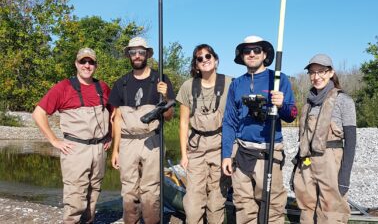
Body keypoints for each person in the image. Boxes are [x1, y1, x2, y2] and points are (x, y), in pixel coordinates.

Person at [221, 35, 297, 223]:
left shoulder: (278, 78)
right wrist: (226, 155)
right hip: (242, 153)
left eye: (257, 50)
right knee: (243, 206)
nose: (252, 54)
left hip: (268, 152)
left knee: (272, 208)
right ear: (242, 56)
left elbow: (292, 114)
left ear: (265, 54)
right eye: (247, 51)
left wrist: (282, 105)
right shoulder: (236, 84)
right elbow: (229, 121)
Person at [32, 47, 112, 223]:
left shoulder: (103, 87)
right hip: (76, 149)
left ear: (95, 65)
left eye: (90, 62)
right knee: (75, 196)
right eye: (83, 61)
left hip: (99, 149)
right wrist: (54, 140)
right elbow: (38, 113)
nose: (87, 65)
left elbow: (114, 113)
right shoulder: (63, 87)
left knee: (94, 193)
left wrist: (110, 136)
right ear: (76, 64)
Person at [108, 36, 175, 224]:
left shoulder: (161, 79)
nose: (137, 56)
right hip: (128, 142)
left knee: (151, 188)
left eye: (141, 52)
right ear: (129, 56)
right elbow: (117, 119)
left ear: (147, 55)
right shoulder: (121, 83)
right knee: (129, 188)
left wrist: (165, 96)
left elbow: (169, 116)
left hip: (152, 140)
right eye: (133, 52)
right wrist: (116, 150)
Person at [292, 54, 356, 223]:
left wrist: (344, 177)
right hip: (306, 161)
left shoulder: (344, 100)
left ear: (330, 73)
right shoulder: (308, 102)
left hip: (331, 160)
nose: (316, 76)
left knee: (331, 209)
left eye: (321, 71)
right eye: (312, 72)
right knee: (306, 205)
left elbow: (351, 141)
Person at [177, 44, 232, 223]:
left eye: (208, 56)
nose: (204, 61)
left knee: (216, 200)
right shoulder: (187, 86)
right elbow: (183, 123)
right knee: (193, 203)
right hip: (196, 147)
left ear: (215, 60)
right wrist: (184, 155)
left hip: (220, 146)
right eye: (199, 58)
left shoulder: (230, 83)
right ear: (196, 64)